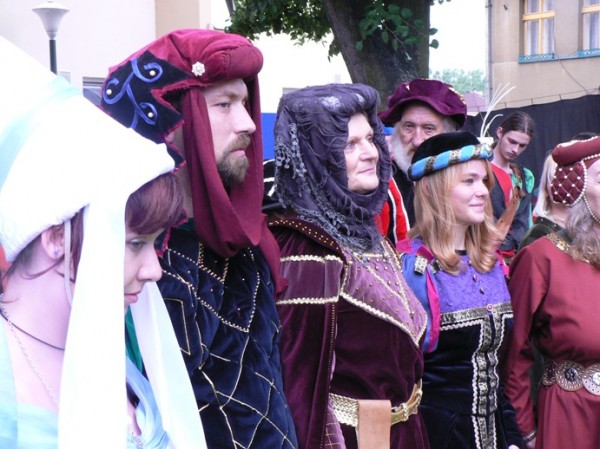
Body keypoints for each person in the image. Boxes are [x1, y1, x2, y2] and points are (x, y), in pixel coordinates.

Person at [0, 37, 204, 448]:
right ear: (56, 236)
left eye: (153, 243)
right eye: (135, 243)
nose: (155, 270)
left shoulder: (112, 355)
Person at [101, 29, 298, 449]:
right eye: (224, 104)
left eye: (244, 102)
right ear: (170, 121)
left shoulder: (245, 243)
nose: (248, 124)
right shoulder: (139, 265)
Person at [269, 83, 429, 449]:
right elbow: (302, 392)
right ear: (317, 156)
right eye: (349, 144)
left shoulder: (368, 235)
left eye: (370, 138)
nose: (371, 153)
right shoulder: (307, 248)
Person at [398, 132, 523, 449]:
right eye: (469, 181)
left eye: (483, 181)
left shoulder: (491, 265)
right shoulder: (414, 270)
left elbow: (494, 373)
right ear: (433, 189)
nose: (482, 191)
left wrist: (512, 438)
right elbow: (400, 380)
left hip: (496, 433)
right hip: (437, 437)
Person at [503, 136, 600, 449]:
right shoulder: (541, 257)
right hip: (569, 417)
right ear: (577, 189)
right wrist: (525, 430)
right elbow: (514, 353)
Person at [378, 78, 468, 235]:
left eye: (429, 129)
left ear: (448, 135)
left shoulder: (466, 182)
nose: (417, 141)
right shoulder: (381, 183)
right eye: (409, 127)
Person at [489, 111, 535, 263]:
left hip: (518, 254)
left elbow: (527, 220)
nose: (515, 149)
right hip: (486, 253)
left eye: (522, 145)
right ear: (500, 132)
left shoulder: (524, 176)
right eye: (512, 141)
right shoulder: (479, 171)